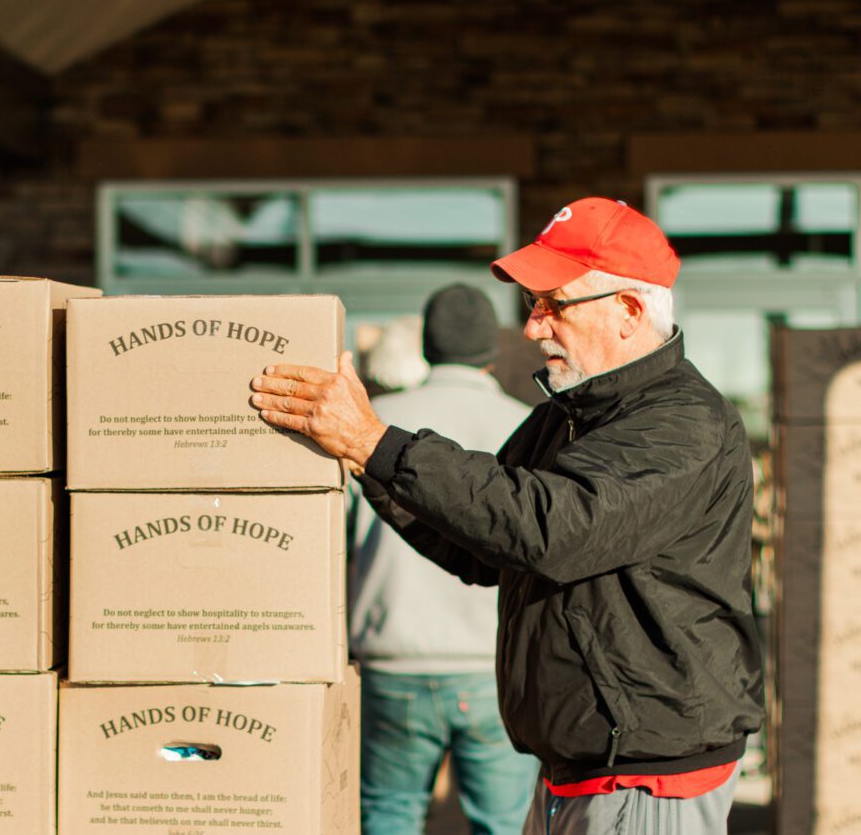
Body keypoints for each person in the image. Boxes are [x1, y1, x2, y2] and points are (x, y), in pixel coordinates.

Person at [250, 197, 765, 833]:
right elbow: (484, 545)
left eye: (554, 304)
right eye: (531, 304)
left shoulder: (680, 421)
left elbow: (550, 528)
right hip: (579, 765)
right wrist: (367, 466)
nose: (533, 327)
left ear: (629, 311)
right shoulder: (569, 412)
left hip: (643, 775)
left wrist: (375, 442)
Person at [351, 285, 536, 834]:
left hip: (391, 658)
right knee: (501, 825)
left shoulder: (372, 424)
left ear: (427, 346)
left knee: (389, 813)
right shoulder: (528, 427)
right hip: (492, 665)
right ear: (494, 349)